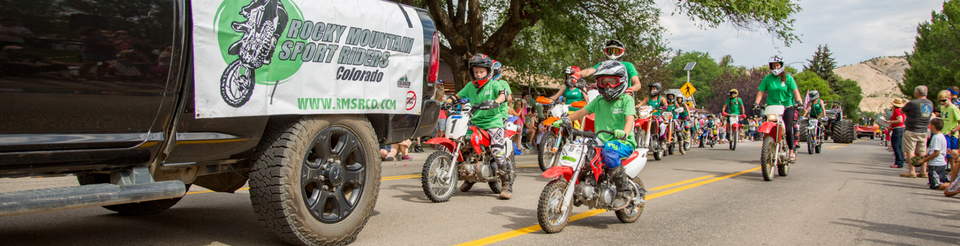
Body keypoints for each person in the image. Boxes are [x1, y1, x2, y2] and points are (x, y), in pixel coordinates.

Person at [555, 60, 635, 191]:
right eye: (604, 82)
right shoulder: (599, 100)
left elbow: (630, 120)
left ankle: (623, 189)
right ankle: (585, 181)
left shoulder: (627, 100)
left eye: (612, 81)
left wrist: (624, 133)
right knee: (578, 148)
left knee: (609, 153)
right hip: (600, 140)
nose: (608, 86)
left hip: (623, 141)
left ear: (621, 81)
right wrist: (565, 120)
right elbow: (582, 112)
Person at [456, 53, 513, 199]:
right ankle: (470, 177)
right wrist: (446, 102)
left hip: (494, 122)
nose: (479, 74)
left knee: (497, 151)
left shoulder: (495, 84)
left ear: (488, 72)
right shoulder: (470, 86)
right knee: (466, 147)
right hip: (476, 122)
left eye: (481, 71)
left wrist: (496, 102)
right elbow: (458, 96)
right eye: (476, 71)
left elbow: (504, 95)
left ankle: (507, 184)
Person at [754, 55, 803, 162]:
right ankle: (768, 147)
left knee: (788, 128)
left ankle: (791, 151)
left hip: (786, 106)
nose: (776, 68)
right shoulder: (767, 79)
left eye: (777, 65)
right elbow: (760, 92)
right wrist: (756, 103)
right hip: (771, 107)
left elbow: (795, 91)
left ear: (781, 65)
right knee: (768, 127)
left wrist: (799, 102)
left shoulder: (788, 78)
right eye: (773, 66)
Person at [577, 39, 643, 94]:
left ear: (622, 52)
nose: (612, 54)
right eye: (610, 51)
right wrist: (576, 74)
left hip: (623, 97)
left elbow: (637, 84)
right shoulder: (602, 65)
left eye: (616, 51)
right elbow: (588, 71)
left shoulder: (628, 66)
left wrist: (630, 89)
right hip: (605, 97)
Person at [900, 86, 934, 178]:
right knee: (922, 152)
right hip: (924, 130)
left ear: (917, 93)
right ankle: (923, 171)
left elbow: (902, 110)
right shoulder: (930, 103)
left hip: (912, 129)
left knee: (910, 150)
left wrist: (909, 113)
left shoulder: (913, 103)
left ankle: (912, 171)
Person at [936, 90, 960, 183]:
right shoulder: (942, 108)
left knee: (952, 156)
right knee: (943, 155)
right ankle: (944, 175)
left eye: (944, 100)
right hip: (943, 133)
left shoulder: (953, 108)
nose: (942, 103)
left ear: (949, 98)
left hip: (951, 135)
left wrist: (952, 131)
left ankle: (954, 175)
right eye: (940, 101)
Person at [919, 118, 949, 189]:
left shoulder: (937, 137)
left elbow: (936, 153)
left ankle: (955, 186)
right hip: (939, 163)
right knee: (934, 184)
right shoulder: (940, 136)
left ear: (933, 126)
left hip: (936, 164)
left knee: (936, 185)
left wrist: (924, 160)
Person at [888, 98, 907, 168]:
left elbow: (900, 120)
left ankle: (898, 162)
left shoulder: (897, 111)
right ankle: (900, 161)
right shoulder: (902, 111)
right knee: (899, 146)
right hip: (901, 129)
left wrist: (891, 122)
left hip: (897, 129)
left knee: (896, 146)